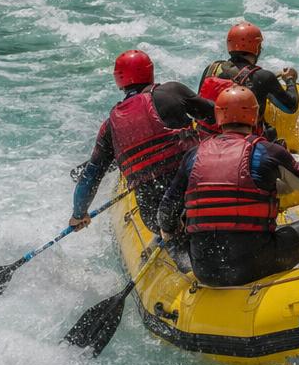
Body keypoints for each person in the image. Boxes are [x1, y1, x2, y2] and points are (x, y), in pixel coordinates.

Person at [158, 86, 299, 287]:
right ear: (255, 115)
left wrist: (174, 235)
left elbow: (165, 214)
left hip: (204, 269)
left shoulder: (194, 155)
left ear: (218, 116)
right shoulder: (267, 151)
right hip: (252, 265)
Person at [69, 50, 215, 233]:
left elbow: (91, 175)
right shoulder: (172, 92)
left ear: (119, 81)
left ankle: (170, 240)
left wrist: (79, 214)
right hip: (194, 190)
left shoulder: (110, 126)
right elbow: (214, 114)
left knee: (164, 220)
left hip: (153, 212)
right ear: (150, 71)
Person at [195, 21, 299, 137]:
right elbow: (291, 107)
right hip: (244, 144)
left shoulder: (212, 69)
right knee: (271, 133)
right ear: (257, 47)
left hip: (206, 140)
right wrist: (290, 80)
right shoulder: (263, 77)